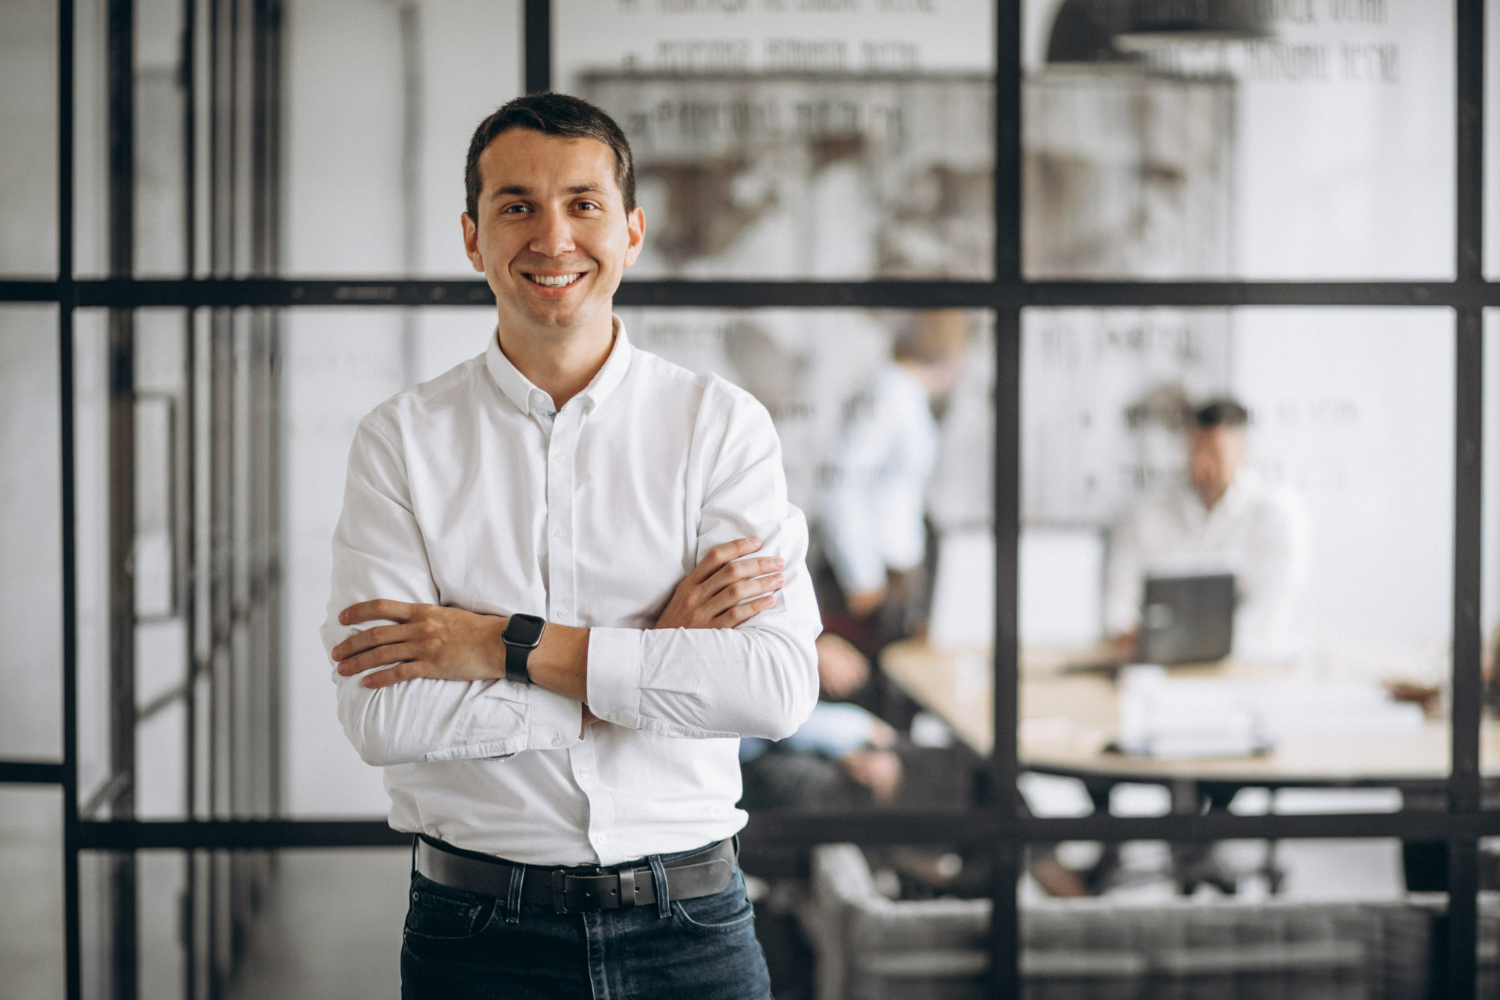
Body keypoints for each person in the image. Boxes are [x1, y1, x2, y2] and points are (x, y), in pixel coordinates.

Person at [320, 93, 821, 999]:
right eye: (517, 206)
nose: (552, 239)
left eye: (583, 204)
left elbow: (775, 689)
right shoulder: (400, 441)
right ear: (472, 238)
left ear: (631, 231)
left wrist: (499, 646)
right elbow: (381, 718)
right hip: (476, 937)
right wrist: (640, 665)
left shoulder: (720, 428)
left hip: (692, 930)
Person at [1104, 397, 1311, 662]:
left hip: (1250, 666)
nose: (1201, 465)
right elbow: (1119, 600)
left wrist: (1197, 638)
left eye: (1214, 452)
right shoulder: (1147, 514)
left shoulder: (1277, 513)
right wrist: (1127, 630)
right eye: (1194, 451)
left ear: (1243, 451)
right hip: (1161, 666)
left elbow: (1271, 610)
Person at [818, 311, 969, 645]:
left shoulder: (903, 393)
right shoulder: (891, 394)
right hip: (876, 576)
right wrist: (861, 575)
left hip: (892, 569)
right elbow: (842, 483)